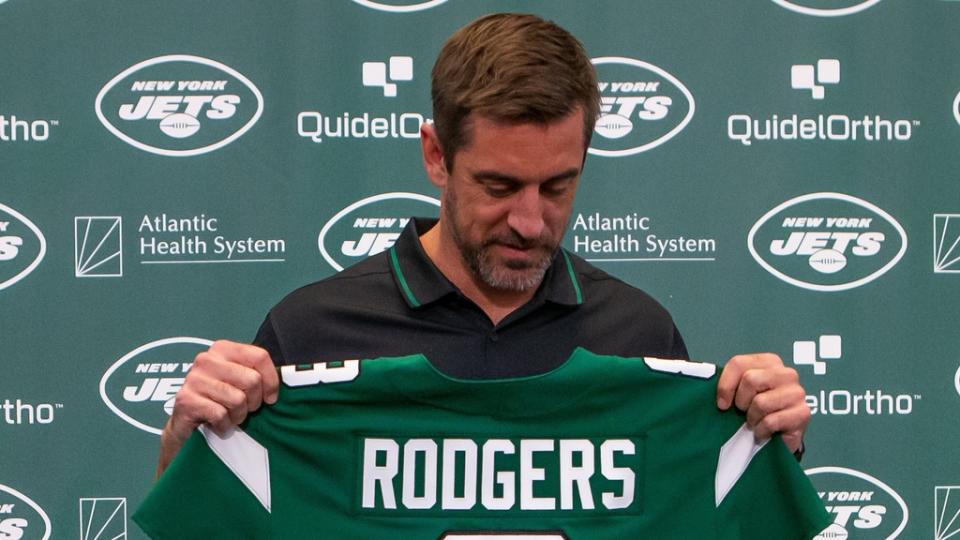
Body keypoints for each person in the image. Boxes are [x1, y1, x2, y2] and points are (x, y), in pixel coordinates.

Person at [156, 12, 810, 479]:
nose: (530, 222)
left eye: (558, 186)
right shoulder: (311, 333)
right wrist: (187, 444)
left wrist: (761, 443)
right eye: (500, 185)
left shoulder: (638, 333)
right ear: (436, 156)